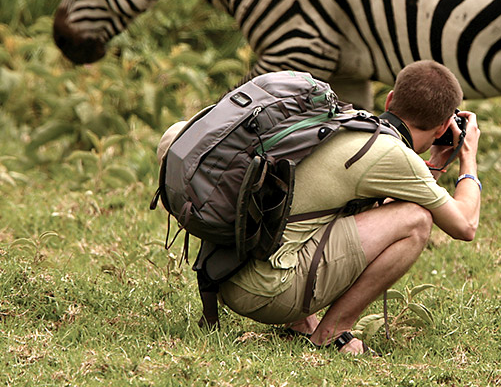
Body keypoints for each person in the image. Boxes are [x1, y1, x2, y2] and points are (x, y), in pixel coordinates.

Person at [157, 61, 481, 355]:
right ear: (442, 129)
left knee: (338, 205)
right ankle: (333, 332)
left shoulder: (344, 123)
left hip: (227, 274)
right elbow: (464, 225)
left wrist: (433, 168)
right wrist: (468, 156)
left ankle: (302, 324)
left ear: (390, 99)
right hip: (269, 293)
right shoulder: (392, 154)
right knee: (417, 219)